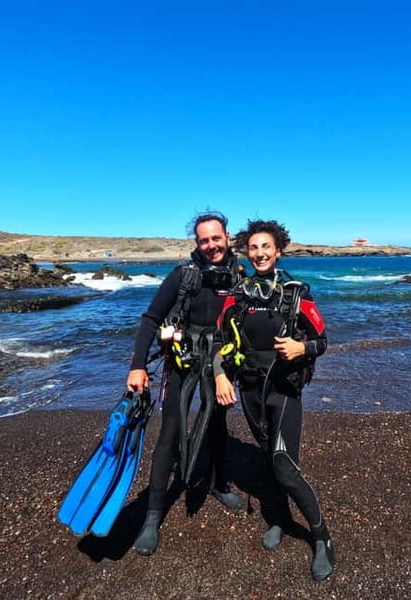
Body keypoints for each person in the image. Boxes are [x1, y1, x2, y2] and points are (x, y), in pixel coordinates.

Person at [213, 219, 335, 581]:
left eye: (266, 247)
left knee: (284, 466)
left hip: (283, 391)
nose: (260, 253)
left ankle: (321, 536)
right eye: (253, 247)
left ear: (278, 250)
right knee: (268, 458)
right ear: (246, 252)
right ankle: (279, 519)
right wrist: (220, 374)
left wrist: (302, 347)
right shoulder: (238, 294)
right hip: (250, 391)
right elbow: (221, 342)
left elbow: (324, 341)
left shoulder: (295, 293)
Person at [127, 211, 245, 556]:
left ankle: (217, 484)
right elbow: (150, 319)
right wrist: (137, 366)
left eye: (216, 238)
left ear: (227, 237)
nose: (211, 246)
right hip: (183, 359)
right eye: (204, 240)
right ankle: (152, 513)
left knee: (218, 424)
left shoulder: (239, 275)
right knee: (171, 431)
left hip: (219, 361)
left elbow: (249, 322)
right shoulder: (183, 276)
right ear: (198, 243)